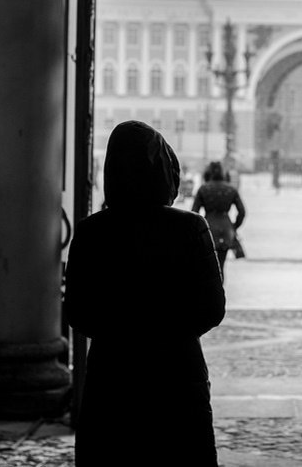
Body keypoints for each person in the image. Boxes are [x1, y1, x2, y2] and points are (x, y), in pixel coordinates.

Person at [64, 121, 225, 466]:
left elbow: (77, 311)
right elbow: (212, 308)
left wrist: (122, 331)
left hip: (112, 374)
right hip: (177, 373)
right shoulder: (190, 228)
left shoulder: (91, 232)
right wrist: (167, 333)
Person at [192, 161, 246, 281]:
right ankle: (220, 289)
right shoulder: (231, 189)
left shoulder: (203, 189)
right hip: (226, 230)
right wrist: (234, 226)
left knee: (208, 266)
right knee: (221, 265)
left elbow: (194, 213)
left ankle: (210, 289)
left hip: (208, 229)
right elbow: (242, 212)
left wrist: (198, 229)